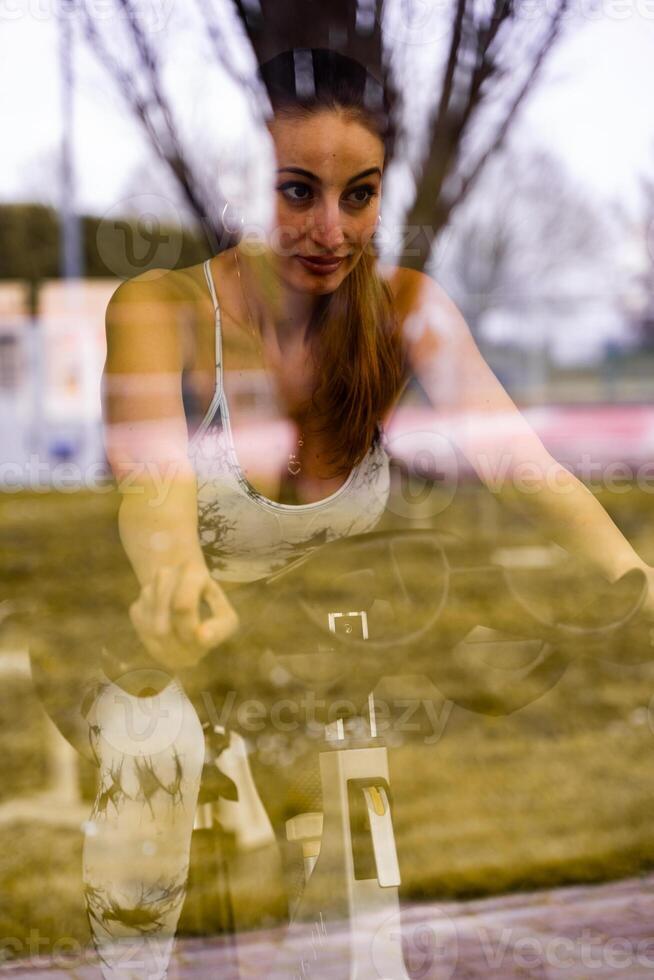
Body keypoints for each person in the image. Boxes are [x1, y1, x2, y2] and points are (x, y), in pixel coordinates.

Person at [90, 47, 654, 978]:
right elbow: (152, 487)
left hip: (324, 671)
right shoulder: (163, 308)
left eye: (360, 196)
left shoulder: (405, 310)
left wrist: (627, 572)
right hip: (179, 657)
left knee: (354, 929)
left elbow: (517, 461)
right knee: (151, 800)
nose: (329, 228)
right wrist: (174, 576)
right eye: (297, 192)